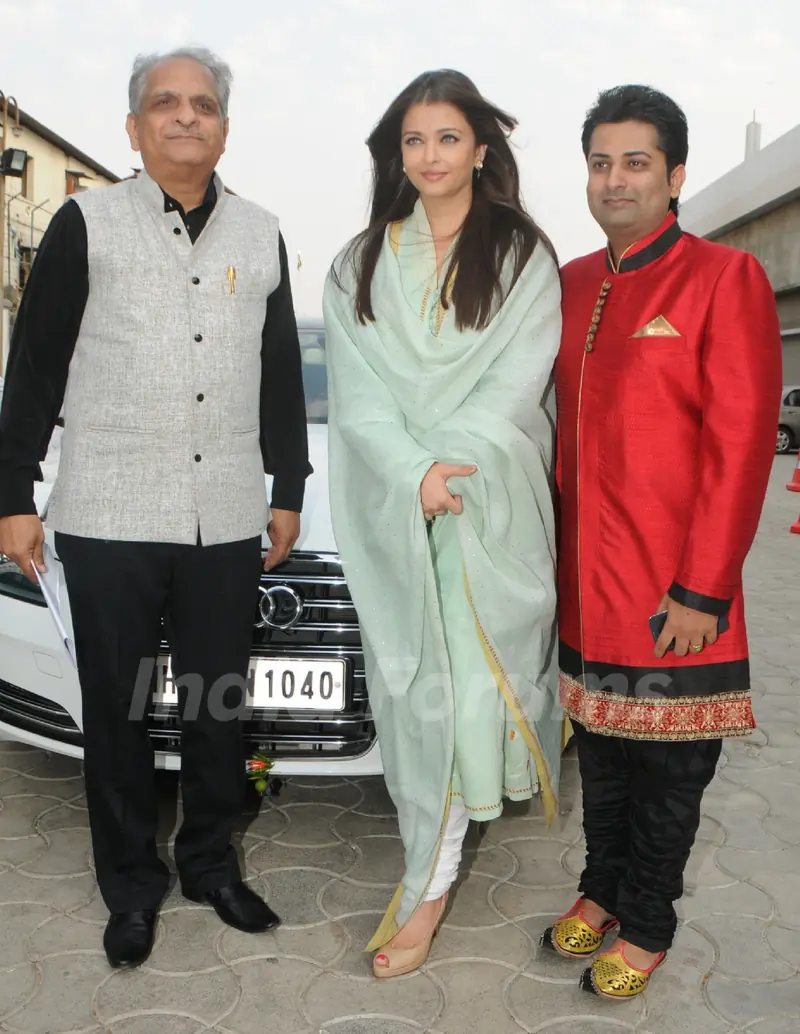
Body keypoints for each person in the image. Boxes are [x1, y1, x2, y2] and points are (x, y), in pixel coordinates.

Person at [0, 47, 310, 968]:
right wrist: (13, 493)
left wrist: (287, 489)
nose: (186, 117)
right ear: (133, 128)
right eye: (165, 104)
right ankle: (131, 886)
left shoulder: (262, 233)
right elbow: (36, 365)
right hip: (108, 513)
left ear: (224, 127)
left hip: (223, 518)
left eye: (204, 104)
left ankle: (211, 864)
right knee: (119, 711)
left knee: (219, 707)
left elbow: (280, 375)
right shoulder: (84, 223)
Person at [542, 85, 782, 1001]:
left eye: (635, 162)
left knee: (669, 775)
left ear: (676, 174)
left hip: (678, 597)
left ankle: (648, 923)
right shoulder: (567, 285)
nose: (614, 180)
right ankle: (600, 892)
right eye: (600, 162)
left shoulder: (725, 279)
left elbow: (741, 444)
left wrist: (705, 588)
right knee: (600, 758)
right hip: (584, 587)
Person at [323, 69, 563, 980]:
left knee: (461, 703)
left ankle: (427, 886)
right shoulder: (359, 262)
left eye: (448, 138)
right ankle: (427, 865)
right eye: (413, 141)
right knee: (415, 702)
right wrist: (409, 471)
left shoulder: (520, 256)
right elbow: (358, 398)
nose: (429, 156)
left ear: (481, 149)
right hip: (397, 510)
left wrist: (447, 468)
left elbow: (517, 384)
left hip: (482, 514)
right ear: (397, 152)